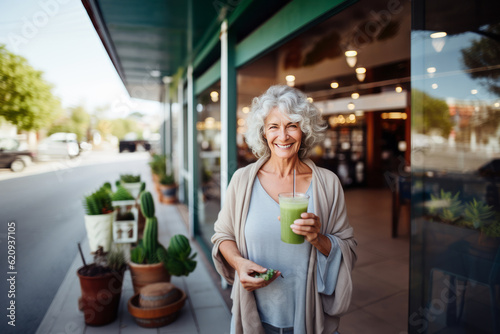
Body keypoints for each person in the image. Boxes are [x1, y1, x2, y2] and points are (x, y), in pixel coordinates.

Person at [211, 85, 357, 334]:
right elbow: (223, 236)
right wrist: (238, 264)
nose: (283, 136)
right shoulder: (242, 180)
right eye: (273, 127)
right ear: (263, 133)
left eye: (292, 125)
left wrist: (317, 238)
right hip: (256, 309)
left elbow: (348, 248)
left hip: (308, 310)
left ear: (304, 129)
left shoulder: (328, 183)